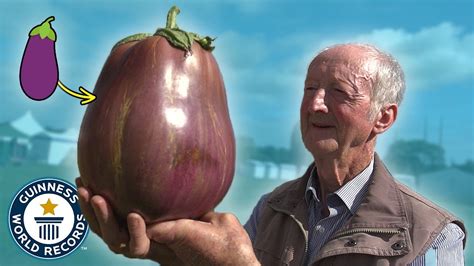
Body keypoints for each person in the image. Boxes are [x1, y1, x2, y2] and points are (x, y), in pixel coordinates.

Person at [76, 43, 466, 265]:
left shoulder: (431, 235)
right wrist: (168, 252)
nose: (315, 105)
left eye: (339, 92)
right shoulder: (273, 209)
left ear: (383, 117)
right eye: (309, 88)